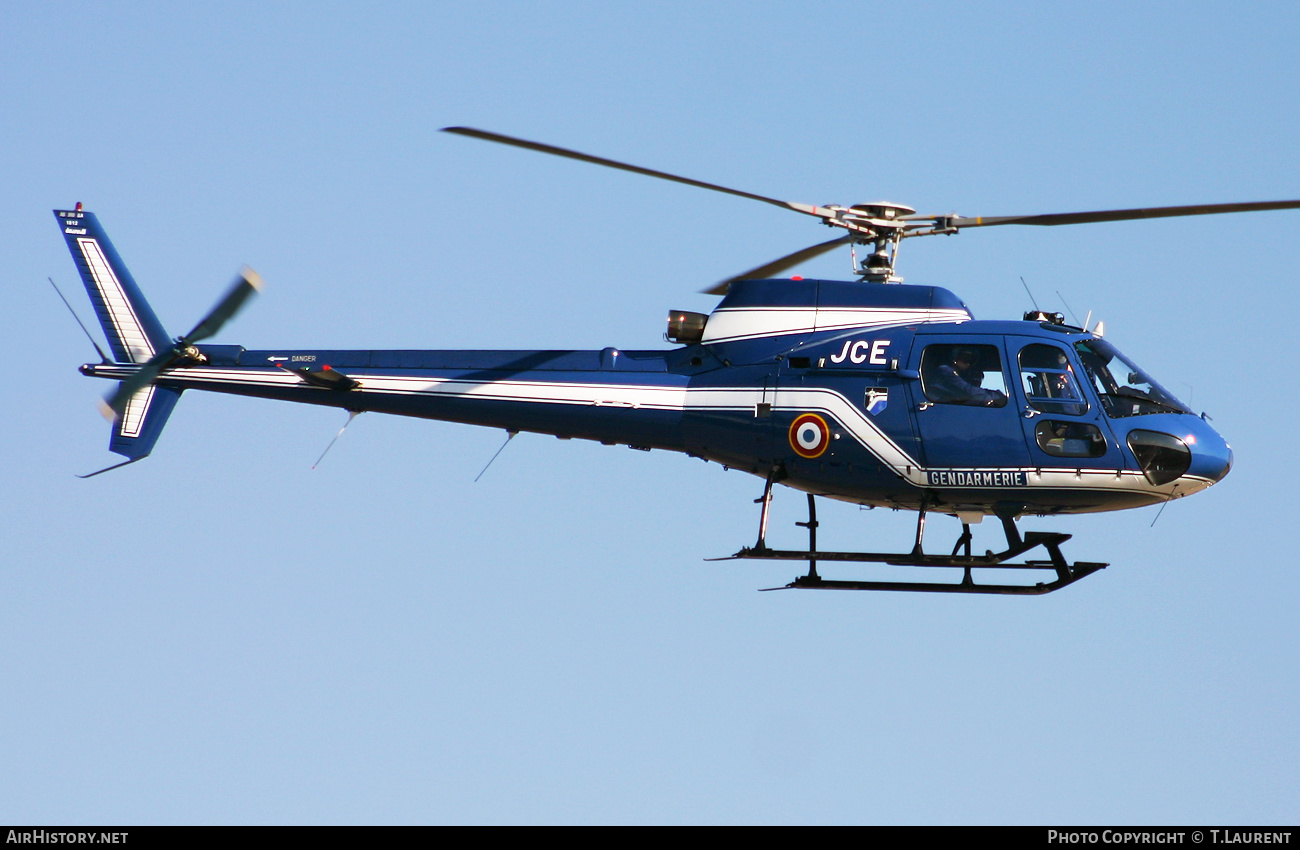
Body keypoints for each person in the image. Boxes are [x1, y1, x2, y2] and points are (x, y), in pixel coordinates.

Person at [930, 348, 1007, 406]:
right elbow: (967, 391)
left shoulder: (961, 375)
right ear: (955, 358)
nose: (968, 363)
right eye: (965, 359)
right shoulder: (944, 371)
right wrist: (996, 396)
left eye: (972, 360)